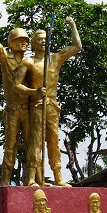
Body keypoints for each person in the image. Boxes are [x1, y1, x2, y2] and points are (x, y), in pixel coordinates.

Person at [14, 17, 82, 187]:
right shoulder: (28, 62)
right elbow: (16, 85)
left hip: (52, 105)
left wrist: (73, 26)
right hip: (37, 104)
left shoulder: (55, 59)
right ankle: (31, 178)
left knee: (53, 141)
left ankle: (58, 176)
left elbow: (77, 47)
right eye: (39, 39)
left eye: (45, 39)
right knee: (36, 141)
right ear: (33, 44)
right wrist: (34, 92)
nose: (43, 42)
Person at [0, 10, 31, 186]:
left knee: (32, 145)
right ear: (11, 43)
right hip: (13, 109)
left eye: (26, 41)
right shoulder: (6, 57)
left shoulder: (31, 61)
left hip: (28, 109)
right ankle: (5, 180)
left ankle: (33, 180)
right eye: (20, 40)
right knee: (10, 146)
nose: (24, 43)